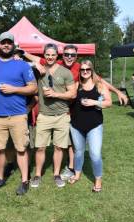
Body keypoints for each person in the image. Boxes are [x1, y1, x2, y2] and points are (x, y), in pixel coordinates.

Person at [22, 44, 128, 182]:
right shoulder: (56, 62)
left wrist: (118, 91)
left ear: (76, 56)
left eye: (72, 55)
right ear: (62, 55)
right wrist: (23, 52)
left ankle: (71, 167)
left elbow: (99, 81)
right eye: (67, 54)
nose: (69, 57)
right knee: (70, 141)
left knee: (71, 142)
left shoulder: (81, 67)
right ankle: (61, 169)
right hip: (63, 109)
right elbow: (38, 58)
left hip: (74, 108)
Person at [0, 32, 37, 195]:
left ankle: (25, 181)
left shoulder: (22, 65)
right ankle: (0, 178)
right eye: (4, 42)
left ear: (14, 45)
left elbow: (33, 88)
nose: (6, 45)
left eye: (9, 43)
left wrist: (14, 89)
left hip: (17, 115)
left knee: (21, 149)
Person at [30, 43, 76, 188]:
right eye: (47, 54)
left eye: (53, 55)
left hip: (62, 115)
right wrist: (33, 64)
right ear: (44, 55)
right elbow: (19, 60)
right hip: (44, 115)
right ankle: (37, 175)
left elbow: (72, 93)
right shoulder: (39, 70)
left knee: (58, 147)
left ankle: (56, 175)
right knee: (40, 147)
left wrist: (56, 94)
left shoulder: (65, 72)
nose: (50, 57)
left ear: (58, 56)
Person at [68, 59, 112, 193]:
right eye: (82, 70)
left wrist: (94, 102)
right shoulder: (76, 85)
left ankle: (98, 179)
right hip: (76, 125)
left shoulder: (99, 85)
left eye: (88, 69)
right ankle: (77, 174)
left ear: (91, 70)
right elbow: (70, 100)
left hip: (94, 125)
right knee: (79, 152)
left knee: (95, 154)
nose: (85, 72)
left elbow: (109, 103)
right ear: (80, 71)